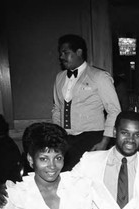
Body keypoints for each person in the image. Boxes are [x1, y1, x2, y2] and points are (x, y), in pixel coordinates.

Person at [51, 34, 122, 171]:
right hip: (66, 140)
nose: (61, 57)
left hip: (92, 138)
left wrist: (104, 142)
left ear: (79, 52)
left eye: (66, 53)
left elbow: (114, 110)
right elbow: (57, 109)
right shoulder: (59, 78)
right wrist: (57, 136)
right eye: (60, 53)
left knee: (89, 180)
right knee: (67, 179)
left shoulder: (99, 76)